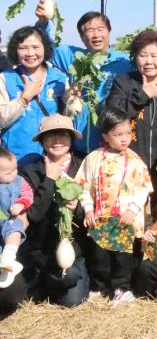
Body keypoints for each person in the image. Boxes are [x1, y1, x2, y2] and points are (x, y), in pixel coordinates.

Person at [76, 108, 153, 307]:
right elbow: (83, 186)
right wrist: (88, 208)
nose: (125, 139)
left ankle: (122, 288)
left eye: (128, 133)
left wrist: (133, 210)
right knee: (100, 254)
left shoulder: (135, 161)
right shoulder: (93, 159)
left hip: (125, 219)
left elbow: (143, 189)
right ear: (105, 136)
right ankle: (101, 286)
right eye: (118, 135)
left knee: (122, 255)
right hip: (101, 218)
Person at [35, 1, 133, 156]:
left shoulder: (125, 62)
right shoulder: (73, 57)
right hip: (78, 148)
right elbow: (45, 46)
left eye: (100, 29)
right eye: (90, 30)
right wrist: (44, 22)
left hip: (112, 150)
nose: (96, 34)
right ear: (82, 36)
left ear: (109, 31)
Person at [106, 30, 157, 194]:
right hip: (129, 164)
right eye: (143, 55)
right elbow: (111, 114)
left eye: (154, 55)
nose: (149, 61)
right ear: (135, 57)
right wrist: (142, 95)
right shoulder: (124, 82)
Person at [19, 114, 89, 307]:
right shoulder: (30, 171)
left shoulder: (84, 166)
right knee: (27, 294)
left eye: (63, 135)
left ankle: (57, 279)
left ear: (71, 139)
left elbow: (93, 212)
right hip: (40, 250)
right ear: (42, 141)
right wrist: (49, 180)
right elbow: (33, 216)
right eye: (50, 135)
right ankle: (42, 280)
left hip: (73, 250)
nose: (57, 141)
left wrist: (77, 209)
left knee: (71, 298)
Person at [0, 26, 67, 166]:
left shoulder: (60, 79)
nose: (30, 53)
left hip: (51, 160)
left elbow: (68, 117)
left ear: (45, 48)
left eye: (36, 47)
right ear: (15, 51)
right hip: (15, 162)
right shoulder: (5, 79)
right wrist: (23, 99)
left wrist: (73, 99)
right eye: (23, 48)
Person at [0, 148, 33, 288]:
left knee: (15, 229)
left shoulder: (20, 181)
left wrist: (21, 204)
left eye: (15, 169)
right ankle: (5, 268)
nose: (14, 173)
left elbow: (28, 195)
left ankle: (9, 256)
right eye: (8, 173)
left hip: (10, 219)